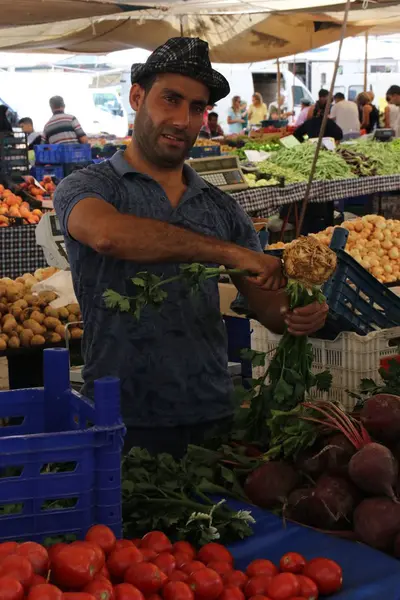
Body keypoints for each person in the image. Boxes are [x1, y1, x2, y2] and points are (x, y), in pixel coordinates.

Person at [53, 37, 328, 457]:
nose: (183, 119)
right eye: (171, 99)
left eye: (197, 108)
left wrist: (297, 313)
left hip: (211, 413)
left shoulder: (222, 208)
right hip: (121, 416)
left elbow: (267, 310)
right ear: (137, 97)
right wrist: (231, 253)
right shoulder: (90, 187)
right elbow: (108, 235)